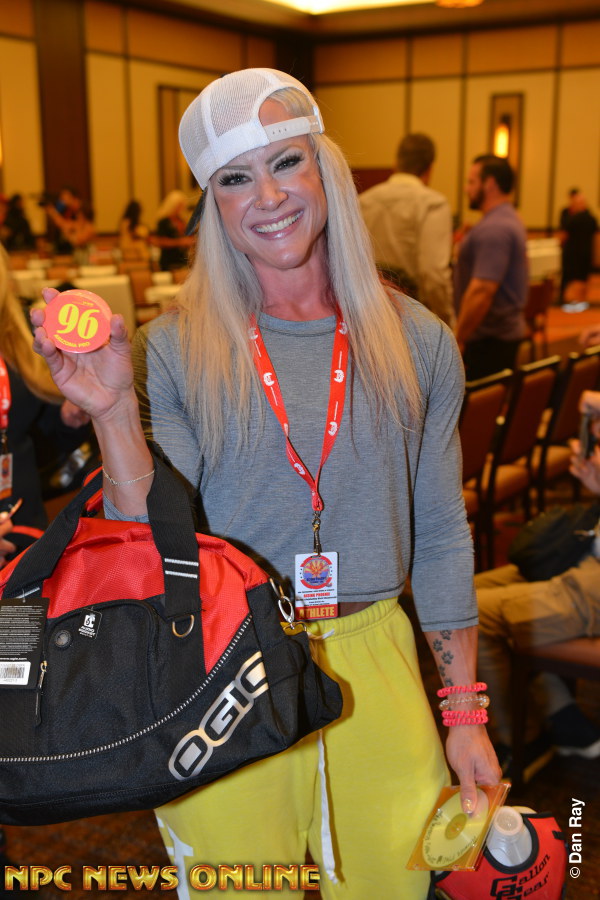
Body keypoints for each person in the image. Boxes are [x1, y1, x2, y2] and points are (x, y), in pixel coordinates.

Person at [32, 68, 500, 899]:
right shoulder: (174, 349)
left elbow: (439, 532)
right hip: (224, 661)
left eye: (287, 163)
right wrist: (112, 413)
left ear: (325, 170)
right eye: (235, 179)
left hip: (376, 658)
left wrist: (463, 712)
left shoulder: (418, 341)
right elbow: (150, 541)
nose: (269, 196)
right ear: (212, 204)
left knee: (394, 885)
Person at [476, 386, 600, 775]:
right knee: (467, 590)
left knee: (469, 613)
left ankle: (520, 742)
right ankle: (563, 719)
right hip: (586, 550)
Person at [0, 246, 90, 566]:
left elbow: (44, 432)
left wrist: (68, 417)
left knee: (28, 601)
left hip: (25, 524)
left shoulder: (20, 333)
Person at [359, 133, 455, 327]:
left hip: (368, 316)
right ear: (429, 168)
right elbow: (433, 275)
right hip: (415, 320)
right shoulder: (432, 204)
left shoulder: (363, 201)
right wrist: (446, 321)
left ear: (396, 163)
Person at [454, 155, 528, 381]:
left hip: (488, 342)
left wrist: (458, 338)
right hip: (497, 338)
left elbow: (483, 290)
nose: (467, 189)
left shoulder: (494, 228)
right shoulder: (507, 218)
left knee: (480, 402)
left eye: (471, 182)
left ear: (490, 184)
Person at [558, 188, 598, 310]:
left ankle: (570, 305)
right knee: (582, 280)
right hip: (586, 254)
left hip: (572, 255)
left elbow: (563, 236)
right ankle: (581, 304)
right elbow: (596, 238)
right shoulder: (592, 219)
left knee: (571, 280)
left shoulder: (572, 219)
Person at [153, 190, 195, 271]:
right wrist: (180, 242)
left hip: (182, 259)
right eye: (179, 206)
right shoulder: (163, 222)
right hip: (169, 260)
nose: (181, 209)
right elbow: (160, 241)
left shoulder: (182, 221)